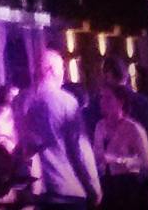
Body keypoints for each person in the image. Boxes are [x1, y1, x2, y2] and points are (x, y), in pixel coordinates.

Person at [19, 48, 102, 207]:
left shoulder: (21, 101)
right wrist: (94, 187)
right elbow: (80, 148)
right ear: (51, 70)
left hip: (36, 191)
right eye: (62, 68)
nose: (64, 73)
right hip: (67, 188)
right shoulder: (66, 101)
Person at [93, 83, 148, 210]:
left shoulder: (133, 128)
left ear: (120, 102)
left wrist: (119, 160)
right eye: (102, 97)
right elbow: (97, 156)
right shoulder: (100, 126)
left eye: (108, 98)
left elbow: (147, 162)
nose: (102, 102)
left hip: (129, 185)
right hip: (107, 184)